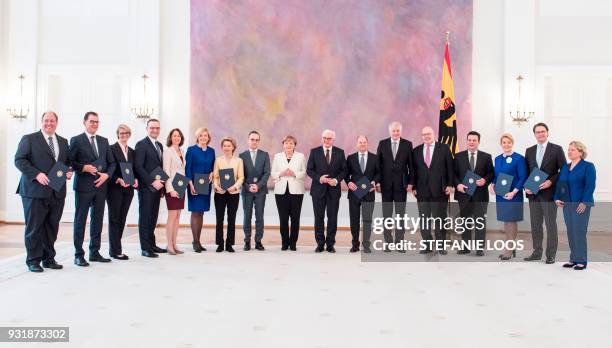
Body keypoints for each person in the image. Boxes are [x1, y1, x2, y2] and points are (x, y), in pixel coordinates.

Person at [15, 111, 73, 272]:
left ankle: (48, 258)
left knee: (51, 227)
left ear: (57, 123)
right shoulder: (29, 139)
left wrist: (69, 171)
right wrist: (36, 174)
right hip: (34, 191)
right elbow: (19, 160)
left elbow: (67, 162)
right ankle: (33, 260)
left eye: (52, 121)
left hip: (57, 190)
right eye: (46, 120)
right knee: (34, 227)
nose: (49, 123)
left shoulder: (63, 141)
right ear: (42, 122)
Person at [69, 111, 116, 266]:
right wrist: (83, 168)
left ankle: (94, 252)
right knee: (80, 220)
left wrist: (106, 176)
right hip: (83, 187)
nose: (94, 124)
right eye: (91, 121)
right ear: (85, 122)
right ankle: (78, 254)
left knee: (97, 220)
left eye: (97, 122)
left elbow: (112, 163)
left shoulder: (104, 141)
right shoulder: (76, 140)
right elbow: (71, 162)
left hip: (101, 187)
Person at [523, 122, 566, 264]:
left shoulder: (557, 149)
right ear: (534, 134)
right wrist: (526, 187)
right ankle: (537, 251)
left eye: (543, 131)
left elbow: (563, 171)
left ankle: (551, 254)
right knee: (535, 224)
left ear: (547, 133)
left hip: (549, 193)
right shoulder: (529, 151)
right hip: (533, 194)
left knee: (550, 224)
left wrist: (551, 182)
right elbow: (527, 173)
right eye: (537, 132)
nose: (540, 134)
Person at [412, 126, 454, 254]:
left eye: (428, 134)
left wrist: (450, 184)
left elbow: (450, 168)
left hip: (440, 190)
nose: (426, 136)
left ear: (433, 134)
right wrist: (413, 186)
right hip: (422, 190)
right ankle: (427, 245)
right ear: (422, 136)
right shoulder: (416, 150)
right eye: (424, 134)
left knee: (440, 218)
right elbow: (413, 171)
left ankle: (441, 246)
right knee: (424, 219)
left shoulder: (444, 148)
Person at [555, 141, 596, 271]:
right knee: (571, 231)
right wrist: (556, 198)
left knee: (579, 232)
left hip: (581, 204)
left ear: (580, 152)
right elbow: (560, 185)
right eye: (569, 149)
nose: (569, 152)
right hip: (567, 204)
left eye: (572, 150)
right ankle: (573, 259)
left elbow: (590, 186)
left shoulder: (588, 166)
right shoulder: (566, 167)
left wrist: (585, 202)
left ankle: (582, 260)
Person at [453, 131, 494, 256]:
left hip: (480, 195)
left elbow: (491, 173)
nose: (471, 142)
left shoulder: (486, 156)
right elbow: (453, 174)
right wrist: (458, 184)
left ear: (478, 142)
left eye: (474, 140)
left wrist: (485, 180)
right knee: (465, 221)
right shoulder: (458, 156)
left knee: (480, 222)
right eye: (469, 140)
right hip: (463, 195)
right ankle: (465, 247)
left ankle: (479, 248)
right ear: (466, 141)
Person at [307, 129, 347, 253]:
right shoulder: (314, 152)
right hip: (318, 191)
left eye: (329, 138)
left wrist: (336, 180)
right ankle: (320, 243)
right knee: (318, 218)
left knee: (332, 217)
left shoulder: (340, 153)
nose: (326, 140)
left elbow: (344, 171)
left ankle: (330, 244)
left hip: (334, 191)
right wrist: (319, 178)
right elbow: (309, 170)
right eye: (324, 137)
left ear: (333, 139)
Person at [376, 121, 414, 249]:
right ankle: (388, 242)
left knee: (400, 215)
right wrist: (378, 182)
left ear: (401, 131)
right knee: (387, 215)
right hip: (385, 185)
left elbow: (411, 166)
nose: (396, 133)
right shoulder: (382, 144)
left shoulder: (407, 144)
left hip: (401, 186)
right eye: (394, 130)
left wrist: (410, 182)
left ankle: (399, 242)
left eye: (398, 130)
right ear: (390, 131)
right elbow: (378, 166)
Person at [490, 133, 527, 261]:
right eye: (504, 142)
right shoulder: (497, 159)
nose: (506, 144)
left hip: (513, 194)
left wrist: (514, 192)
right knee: (506, 220)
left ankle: (509, 249)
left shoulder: (519, 158)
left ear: (512, 143)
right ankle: (512, 246)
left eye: (509, 142)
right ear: (501, 144)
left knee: (511, 220)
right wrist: (492, 184)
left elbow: (522, 176)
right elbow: (496, 175)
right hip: (501, 194)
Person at [134, 118, 167, 258]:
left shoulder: (159, 145)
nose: (155, 130)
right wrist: (152, 182)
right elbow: (138, 167)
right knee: (145, 217)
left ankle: (152, 244)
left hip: (157, 188)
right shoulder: (141, 144)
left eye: (157, 128)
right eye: (152, 128)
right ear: (147, 129)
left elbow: (160, 167)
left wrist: (162, 187)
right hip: (146, 187)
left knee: (153, 217)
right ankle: (145, 248)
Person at [107, 124, 138, 260]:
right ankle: (115, 250)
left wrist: (136, 179)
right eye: (121, 133)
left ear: (129, 134)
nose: (124, 135)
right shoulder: (111, 149)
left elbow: (133, 170)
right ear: (117, 134)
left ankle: (116, 247)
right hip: (115, 189)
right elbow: (108, 169)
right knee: (114, 219)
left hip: (128, 189)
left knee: (122, 219)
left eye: (126, 133)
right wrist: (117, 179)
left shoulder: (132, 151)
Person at [345, 135, 380, 253]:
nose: (362, 144)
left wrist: (374, 182)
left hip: (369, 193)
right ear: (357, 144)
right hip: (354, 193)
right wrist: (349, 182)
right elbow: (345, 174)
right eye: (360, 142)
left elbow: (379, 173)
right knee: (354, 220)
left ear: (367, 143)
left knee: (367, 220)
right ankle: (355, 244)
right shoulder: (350, 158)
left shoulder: (375, 158)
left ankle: (366, 245)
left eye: (364, 142)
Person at [271, 135, 306, 251]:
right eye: (286, 143)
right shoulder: (277, 156)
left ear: (294, 145)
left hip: (296, 191)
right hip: (281, 191)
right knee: (283, 218)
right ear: (283, 145)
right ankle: (284, 243)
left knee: (295, 218)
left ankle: (293, 243)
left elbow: (304, 173)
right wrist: (281, 173)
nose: (288, 145)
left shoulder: (300, 156)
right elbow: (273, 173)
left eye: (291, 143)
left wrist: (294, 173)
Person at [239, 131, 271, 251]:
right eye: (252, 139)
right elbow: (239, 174)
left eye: (257, 140)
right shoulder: (242, 155)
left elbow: (267, 172)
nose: (254, 142)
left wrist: (258, 185)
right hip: (246, 191)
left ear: (259, 141)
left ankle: (258, 241)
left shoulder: (264, 154)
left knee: (259, 216)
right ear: (248, 140)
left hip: (260, 191)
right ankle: (247, 241)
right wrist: (248, 186)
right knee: (247, 216)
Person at [185, 127, 215, 252]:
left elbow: (214, 166)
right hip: (194, 184)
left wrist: (212, 173)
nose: (204, 137)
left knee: (201, 212)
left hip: (206, 184)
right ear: (197, 137)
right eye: (201, 135)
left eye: (206, 135)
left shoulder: (211, 151)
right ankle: (195, 241)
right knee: (195, 212)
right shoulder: (191, 150)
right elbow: (188, 169)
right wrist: (190, 184)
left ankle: (198, 241)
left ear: (208, 138)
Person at [213, 137, 244, 252]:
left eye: (229, 145)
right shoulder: (218, 160)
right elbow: (215, 177)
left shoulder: (238, 161)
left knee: (232, 219)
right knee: (219, 218)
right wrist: (216, 186)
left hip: (233, 193)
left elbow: (241, 177)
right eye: (224, 146)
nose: (226, 147)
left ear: (233, 147)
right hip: (220, 193)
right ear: (222, 147)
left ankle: (229, 244)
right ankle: (220, 244)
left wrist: (235, 186)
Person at [163, 128, 187, 255]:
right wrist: (170, 189)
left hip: (181, 185)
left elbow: (182, 170)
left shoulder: (182, 151)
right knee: (172, 216)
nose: (177, 138)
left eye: (179, 136)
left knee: (178, 216)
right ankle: (169, 245)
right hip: (172, 186)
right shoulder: (168, 152)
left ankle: (175, 243)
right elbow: (166, 172)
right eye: (174, 136)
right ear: (171, 138)